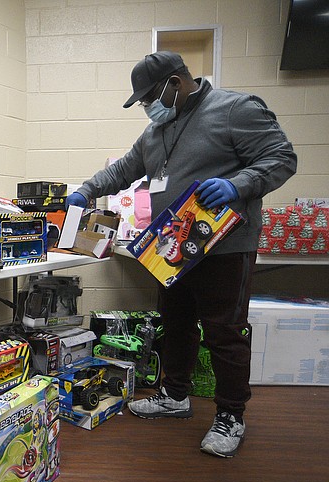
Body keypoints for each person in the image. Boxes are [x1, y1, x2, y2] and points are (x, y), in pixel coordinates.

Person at [65, 51, 297, 458]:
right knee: (176, 323)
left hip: (224, 247)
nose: (145, 107)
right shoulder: (156, 132)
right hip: (171, 249)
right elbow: (123, 169)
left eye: (148, 97)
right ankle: (175, 395)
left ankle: (231, 415)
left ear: (176, 82)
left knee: (225, 331)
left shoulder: (234, 109)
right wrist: (86, 190)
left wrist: (238, 185)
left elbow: (281, 158)